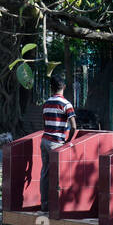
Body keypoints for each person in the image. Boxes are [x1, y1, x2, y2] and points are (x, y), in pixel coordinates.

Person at [40, 73, 77, 209]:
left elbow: (44, 123)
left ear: (51, 87)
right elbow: (73, 126)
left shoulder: (46, 103)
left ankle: (44, 204)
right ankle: (58, 205)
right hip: (56, 142)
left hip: (44, 140)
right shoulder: (66, 104)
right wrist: (68, 141)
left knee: (45, 173)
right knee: (59, 174)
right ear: (64, 87)